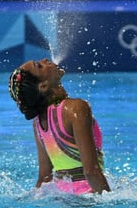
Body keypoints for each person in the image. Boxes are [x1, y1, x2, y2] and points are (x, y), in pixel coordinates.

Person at [8, 58, 110, 194]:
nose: (45, 60)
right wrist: (110, 206)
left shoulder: (38, 123)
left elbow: (44, 178)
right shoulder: (76, 108)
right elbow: (91, 172)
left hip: (61, 198)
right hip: (86, 199)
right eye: (39, 66)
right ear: (43, 86)